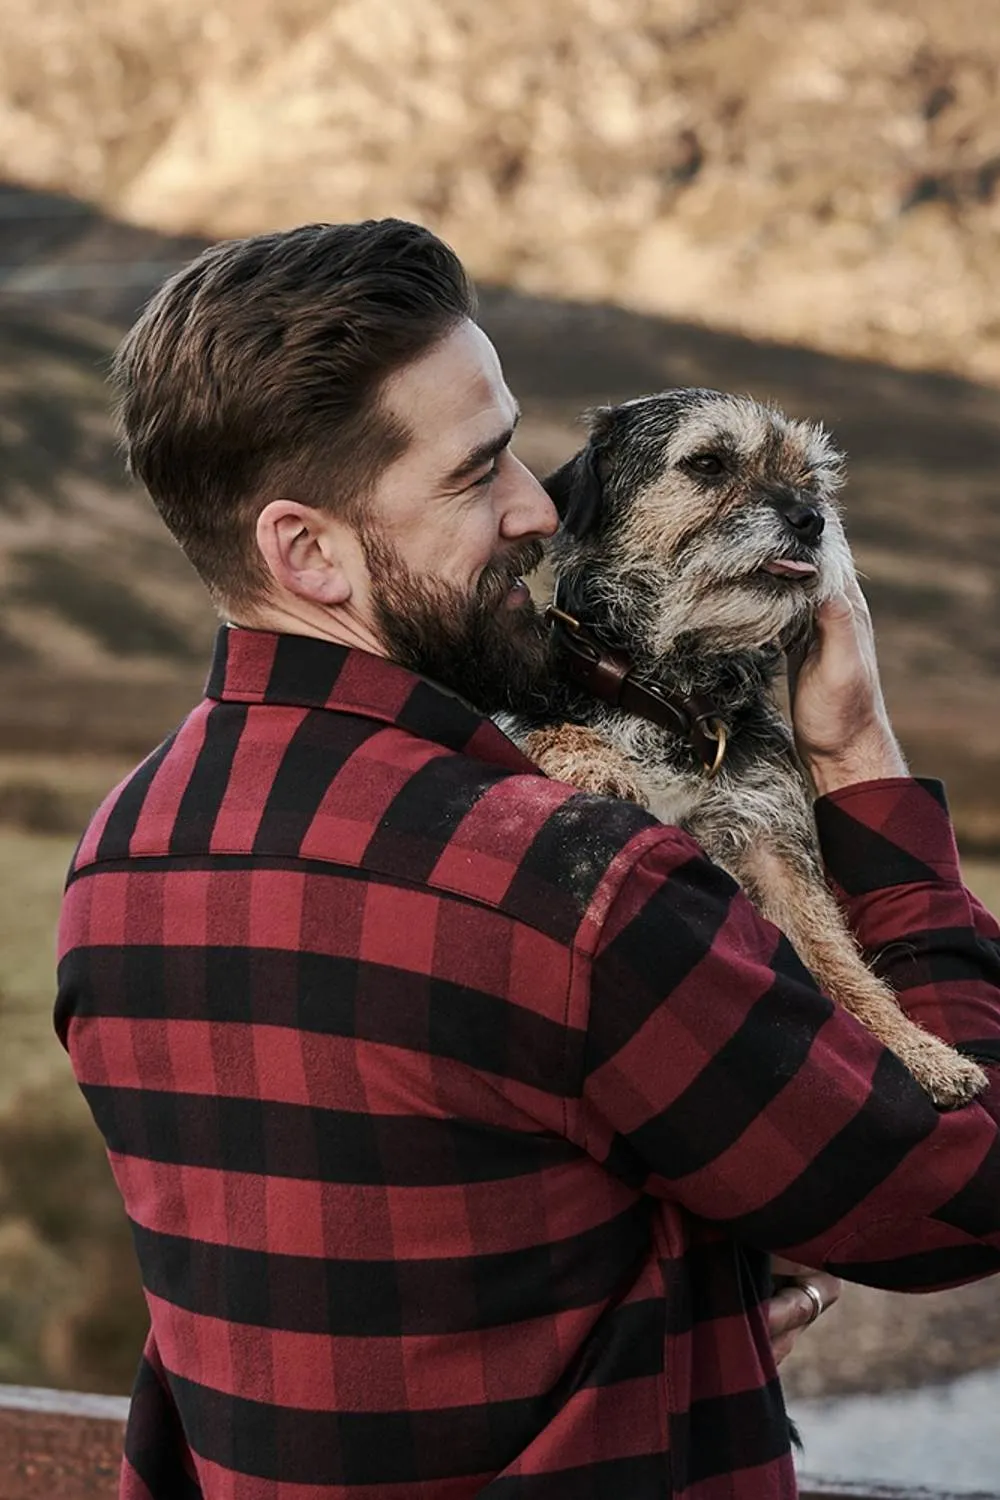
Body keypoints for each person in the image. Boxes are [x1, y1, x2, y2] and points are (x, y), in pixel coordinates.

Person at [56, 219, 1000, 1500]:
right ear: (307, 552)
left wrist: (679, 1289)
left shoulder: (123, 852)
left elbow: (248, 1309)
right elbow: (957, 1188)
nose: (542, 509)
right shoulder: (570, 877)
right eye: (478, 470)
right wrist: (857, 759)